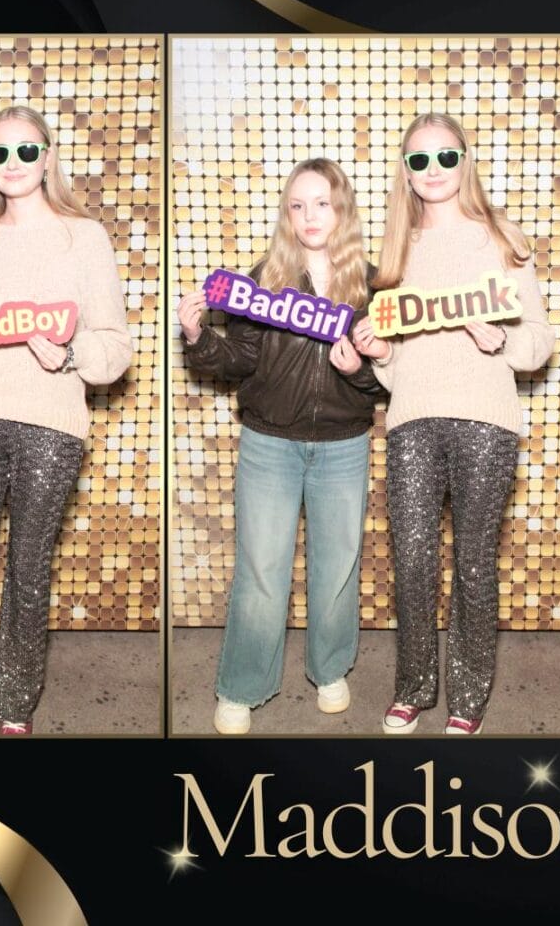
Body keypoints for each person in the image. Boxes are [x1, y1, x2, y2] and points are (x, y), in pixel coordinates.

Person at [353, 113, 555, 735]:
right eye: (420, 160)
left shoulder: (502, 238)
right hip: (412, 418)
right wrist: (379, 354)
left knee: (472, 562)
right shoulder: (396, 249)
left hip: (487, 420)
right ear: (406, 172)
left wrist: (502, 340)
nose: (434, 170)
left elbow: (538, 343)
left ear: (466, 160)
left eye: (446, 156)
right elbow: (396, 370)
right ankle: (414, 686)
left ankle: (467, 699)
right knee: (412, 559)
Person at [0, 105, 132, 735]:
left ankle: (16, 694)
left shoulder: (85, 237)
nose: (13, 163)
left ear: (47, 158)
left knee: (27, 563)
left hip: (51, 423)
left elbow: (116, 346)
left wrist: (70, 355)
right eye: (0, 153)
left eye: (26, 150)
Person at [179, 159, 383, 734]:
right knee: (261, 569)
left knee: (338, 568)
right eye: (298, 205)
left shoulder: (375, 286)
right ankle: (242, 686)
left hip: (344, 444)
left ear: (343, 210)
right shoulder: (263, 279)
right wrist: (197, 336)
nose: (310, 216)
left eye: (322, 203)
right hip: (268, 442)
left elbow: (392, 379)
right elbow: (240, 360)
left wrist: (360, 370)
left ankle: (331, 669)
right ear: (286, 215)